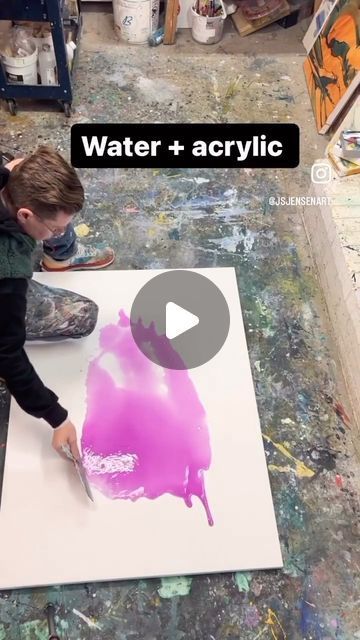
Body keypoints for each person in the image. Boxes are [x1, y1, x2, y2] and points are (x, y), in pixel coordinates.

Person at [0, 146, 114, 460]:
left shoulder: (10, 173)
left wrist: (12, 171)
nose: (61, 232)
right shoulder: (9, 272)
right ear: (23, 214)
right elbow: (7, 353)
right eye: (55, 230)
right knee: (81, 316)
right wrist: (57, 417)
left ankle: (56, 255)